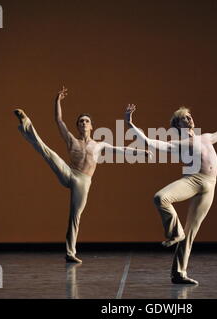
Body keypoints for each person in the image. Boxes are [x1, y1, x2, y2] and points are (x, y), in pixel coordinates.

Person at [125, 103, 217, 284]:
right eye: (184, 118)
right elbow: (150, 143)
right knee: (160, 198)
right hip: (193, 180)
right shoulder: (178, 144)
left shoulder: (206, 137)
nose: (189, 119)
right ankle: (174, 232)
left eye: (189, 116)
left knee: (191, 233)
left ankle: (178, 273)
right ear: (177, 126)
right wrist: (130, 124)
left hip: (210, 186)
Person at [14, 87, 151, 263]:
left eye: (86, 121)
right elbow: (59, 120)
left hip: (83, 182)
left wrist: (141, 153)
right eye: (80, 121)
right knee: (47, 151)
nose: (84, 123)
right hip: (69, 172)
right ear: (78, 126)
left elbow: (122, 150)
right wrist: (57, 101)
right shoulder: (72, 139)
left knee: (75, 215)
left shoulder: (99, 145)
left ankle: (70, 252)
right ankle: (26, 123)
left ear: (91, 126)